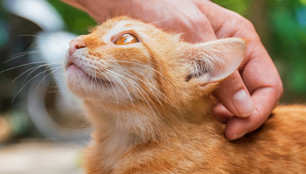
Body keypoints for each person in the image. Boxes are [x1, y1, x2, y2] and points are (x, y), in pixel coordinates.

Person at [62, 0, 283, 140]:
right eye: (92, 33)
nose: (79, 42)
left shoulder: (186, 164)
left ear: (192, 74)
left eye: (125, 39)